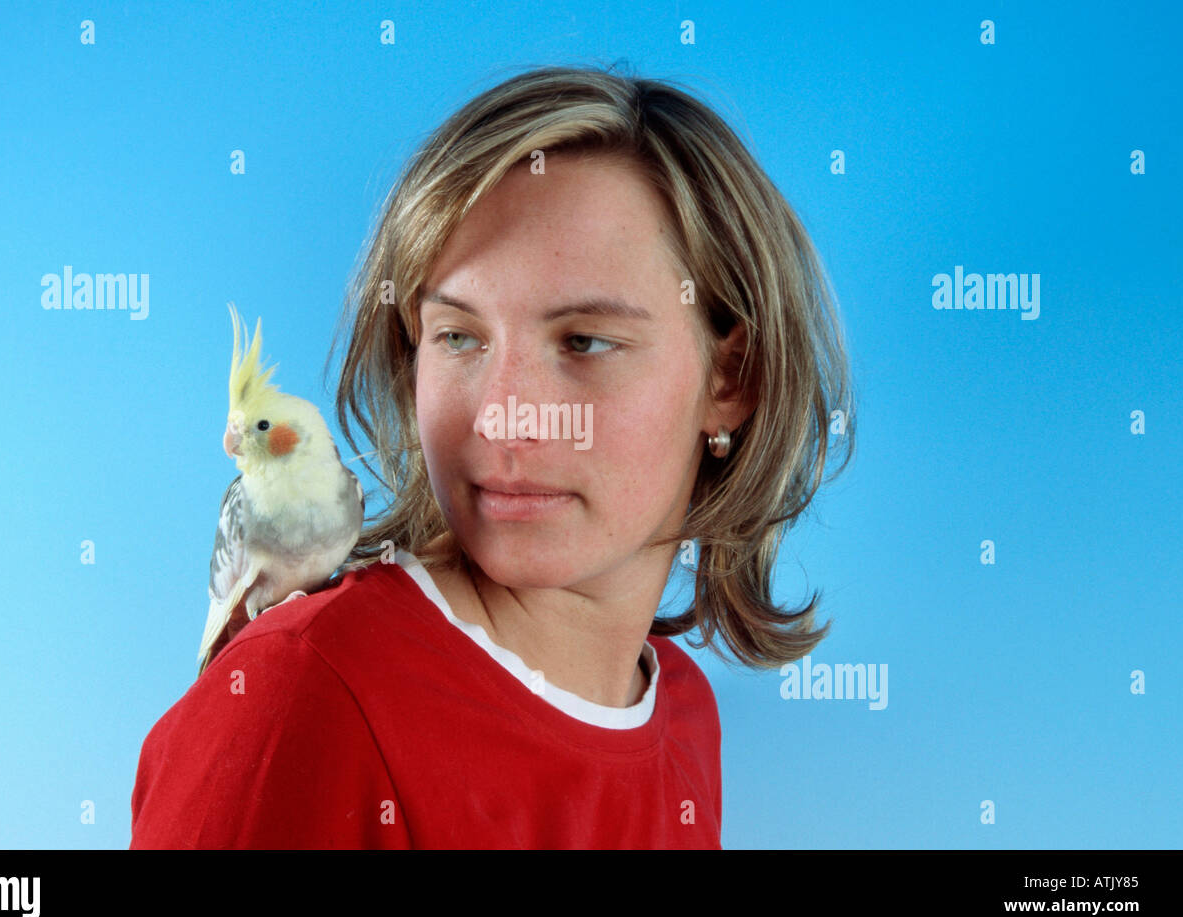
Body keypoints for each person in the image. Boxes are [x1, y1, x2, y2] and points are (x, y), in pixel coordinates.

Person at [129, 63, 855, 849]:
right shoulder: (298, 698)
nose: (506, 417)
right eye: (459, 337)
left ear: (732, 379)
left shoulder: (680, 711)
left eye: (585, 342)